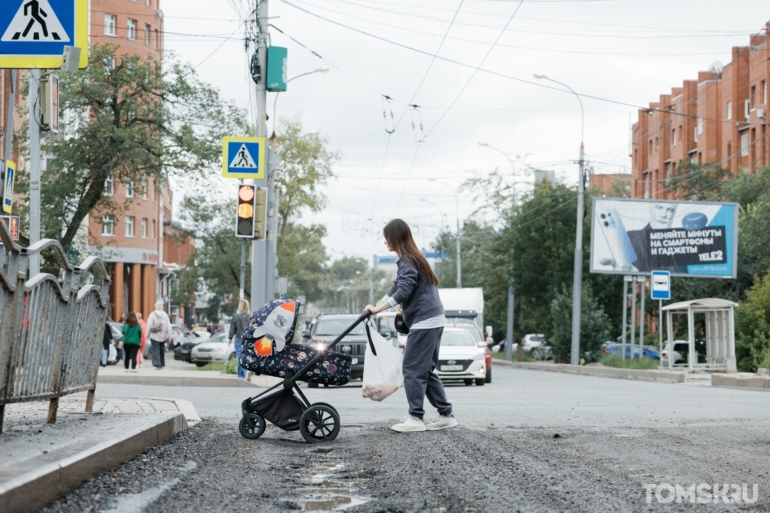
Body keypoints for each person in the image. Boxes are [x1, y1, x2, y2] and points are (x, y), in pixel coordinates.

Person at [364, 219, 458, 433]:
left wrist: (378, 310)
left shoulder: (408, 260)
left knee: (412, 369)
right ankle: (446, 414)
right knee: (424, 369)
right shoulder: (412, 259)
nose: (385, 241)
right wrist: (376, 306)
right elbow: (396, 288)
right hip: (433, 319)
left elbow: (403, 291)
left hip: (425, 321)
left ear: (395, 237)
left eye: (386, 236)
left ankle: (415, 418)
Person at [229, 299, 251, 380]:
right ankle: (240, 377)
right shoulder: (250, 316)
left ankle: (245, 372)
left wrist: (230, 338)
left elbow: (232, 329)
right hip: (248, 340)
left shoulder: (236, 316)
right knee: (243, 357)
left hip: (238, 339)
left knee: (240, 357)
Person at [145, 301, 172, 370]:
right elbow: (169, 325)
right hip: (163, 335)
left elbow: (149, 325)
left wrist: (147, 334)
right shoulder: (165, 314)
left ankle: (157, 364)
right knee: (162, 349)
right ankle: (162, 363)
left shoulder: (152, 314)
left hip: (154, 335)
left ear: (155, 306)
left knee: (155, 349)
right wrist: (170, 335)